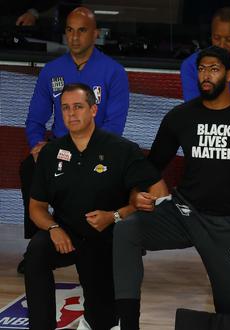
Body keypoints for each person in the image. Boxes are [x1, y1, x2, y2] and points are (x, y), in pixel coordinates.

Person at [113, 46, 230, 329]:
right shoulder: (180, 117)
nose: (206, 76)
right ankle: (127, 323)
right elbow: (151, 165)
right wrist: (135, 191)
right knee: (127, 229)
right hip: (186, 213)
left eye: (214, 69)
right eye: (202, 69)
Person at [24, 83, 162, 330]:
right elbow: (36, 207)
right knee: (36, 252)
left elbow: (154, 194)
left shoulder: (121, 150)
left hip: (107, 239)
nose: (71, 114)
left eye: (78, 107)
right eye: (65, 108)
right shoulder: (51, 152)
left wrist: (115, 215)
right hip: (67, 234)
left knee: (102, 320)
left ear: (94, 110)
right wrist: (53, 227)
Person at [19, 6, 129, 273]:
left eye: (82, 31)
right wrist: (38, 147)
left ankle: (106, 242)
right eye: (70, 30)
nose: (75, 37)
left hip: (100, 150)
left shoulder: (113, 72)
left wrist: (88, 149)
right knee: (29, 167)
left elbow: (115, 126)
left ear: (95, 34)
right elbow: (35, 120)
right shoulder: (51, 71)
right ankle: (40, 241)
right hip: (61, 150)